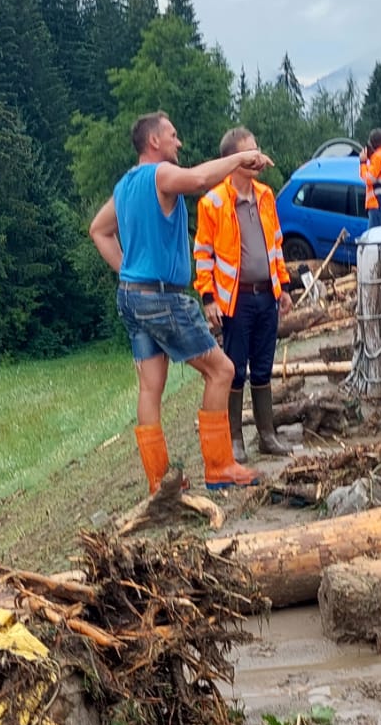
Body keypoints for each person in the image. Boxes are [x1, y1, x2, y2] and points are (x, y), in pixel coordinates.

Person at [89, 112, 273, 492]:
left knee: (150, 387)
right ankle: (220, 466)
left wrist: (129, 271)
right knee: (221, 370)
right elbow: (201, 179)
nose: (179, 143)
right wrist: (240, 158)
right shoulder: (161, 175)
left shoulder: (124, 186)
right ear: (154, 142)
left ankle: (160, 482)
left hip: (131, 297)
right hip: (161, 297)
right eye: (173, 135)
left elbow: (98, 230)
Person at [192, 126, 294, 459]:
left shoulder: (265, 196)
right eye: (249, 153)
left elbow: (276, 244)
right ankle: (234, 439)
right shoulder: (214, 202)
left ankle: (267, 434)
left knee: (263, 366)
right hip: (235, 299)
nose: (257, 157)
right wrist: (208, 298)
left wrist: (284, 287)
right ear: (234, 160)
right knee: (235, 367)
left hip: (267, 295)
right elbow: (203, 253)